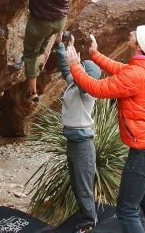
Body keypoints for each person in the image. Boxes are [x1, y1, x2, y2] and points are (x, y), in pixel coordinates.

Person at [66, 27, 145, 233]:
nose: (131, 32)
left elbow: (97, 88)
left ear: (140, 45)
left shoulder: (136, 74)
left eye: (136, 33)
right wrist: (95, 55)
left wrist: (75, 67)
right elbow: (121, 70)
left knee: (126, 210)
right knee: (144, 195)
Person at [56, 31, 102, 233]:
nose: (78, 71)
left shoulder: (88, 91)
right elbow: (67, 68)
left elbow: (79, 78)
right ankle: (86, 219)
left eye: (83, 69)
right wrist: (63, 47)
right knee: (76, 184)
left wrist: (77, 66)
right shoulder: (75, 86)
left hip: (83, 146)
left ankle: (88, 224)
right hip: (73, 143)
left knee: (83, 187)